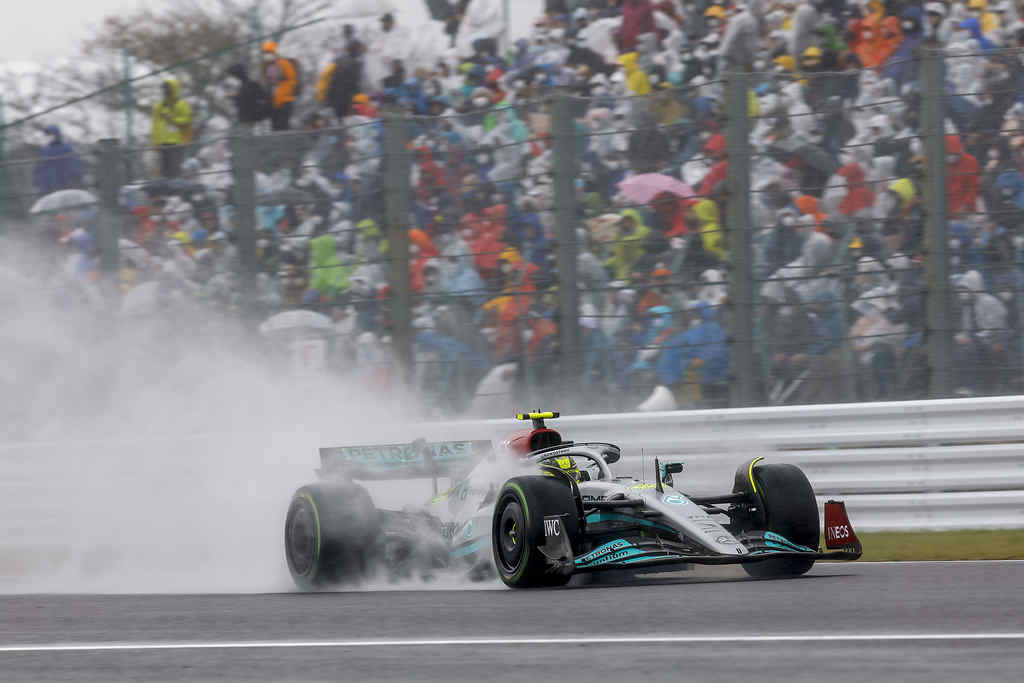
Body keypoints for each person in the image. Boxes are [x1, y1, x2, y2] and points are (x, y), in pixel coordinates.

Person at [150, 79, 192, 178]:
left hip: (177, 143)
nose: (165, 91)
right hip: (163, 143)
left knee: (175, 170)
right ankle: (169, 189)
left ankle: (177, 188)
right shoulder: (159, 106)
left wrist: (172, 119)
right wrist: (155, 142)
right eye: (164, 89)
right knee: (164, 171)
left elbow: (187, 121)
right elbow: (155, 125)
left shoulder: (182, 104)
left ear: (174, 89)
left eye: (168, 88)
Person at [33, 125, 82, 196]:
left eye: (50, 134)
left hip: (65, 183)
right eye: (47, 135)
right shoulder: (46, 150)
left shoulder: (66, 148)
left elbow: (74, 164)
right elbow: (40, 167)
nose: (49, 137)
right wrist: (38, 181)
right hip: (49, 186)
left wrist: (74, 179)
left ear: (56, 134)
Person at [260, 41, 299, 131]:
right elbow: (267, 82)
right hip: (274, 105)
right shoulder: (265, 66)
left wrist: (284, 92)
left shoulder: (283, 63)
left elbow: (292, 80)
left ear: (274, 52)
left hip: (285, 102)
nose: (267, 55)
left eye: (269, 52)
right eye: (265, 53)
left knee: (283, 129)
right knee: (276, 131)